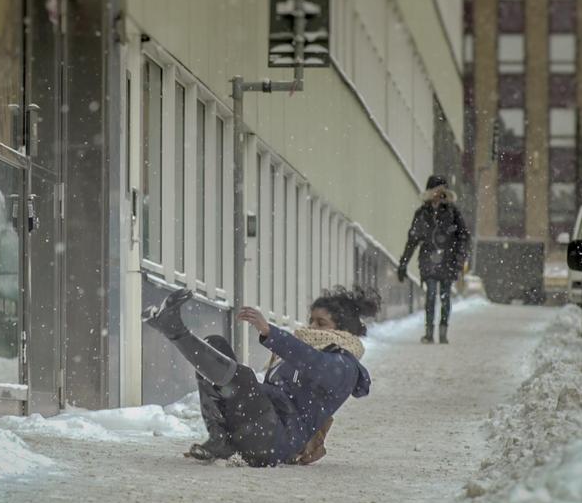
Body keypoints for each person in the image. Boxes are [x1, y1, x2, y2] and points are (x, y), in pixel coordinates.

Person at [143, 286, 375, 467]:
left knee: (242, 377)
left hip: (275, 441)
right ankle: (219, 437)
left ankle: (175, 330)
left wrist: (270, 333)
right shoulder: (302, 353)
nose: (311, 327)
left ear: (342, 330)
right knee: (216, 344)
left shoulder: (345, 366)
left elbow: (314, 363)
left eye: (320, 323)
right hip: (263, 426)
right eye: (311, 320)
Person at [397, 175, 470, 345]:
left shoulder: (453, 213)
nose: (439, 195)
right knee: (430, 296)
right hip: (428, 260)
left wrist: (459, 259)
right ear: (430, 193)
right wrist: (403, 263)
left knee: (445, 297)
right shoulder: (422, 214)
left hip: (448, 260)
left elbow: (464, 237)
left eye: (442, 191)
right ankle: (429, 333)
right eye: (436, 191)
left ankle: (443, 332)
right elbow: (413, 240)